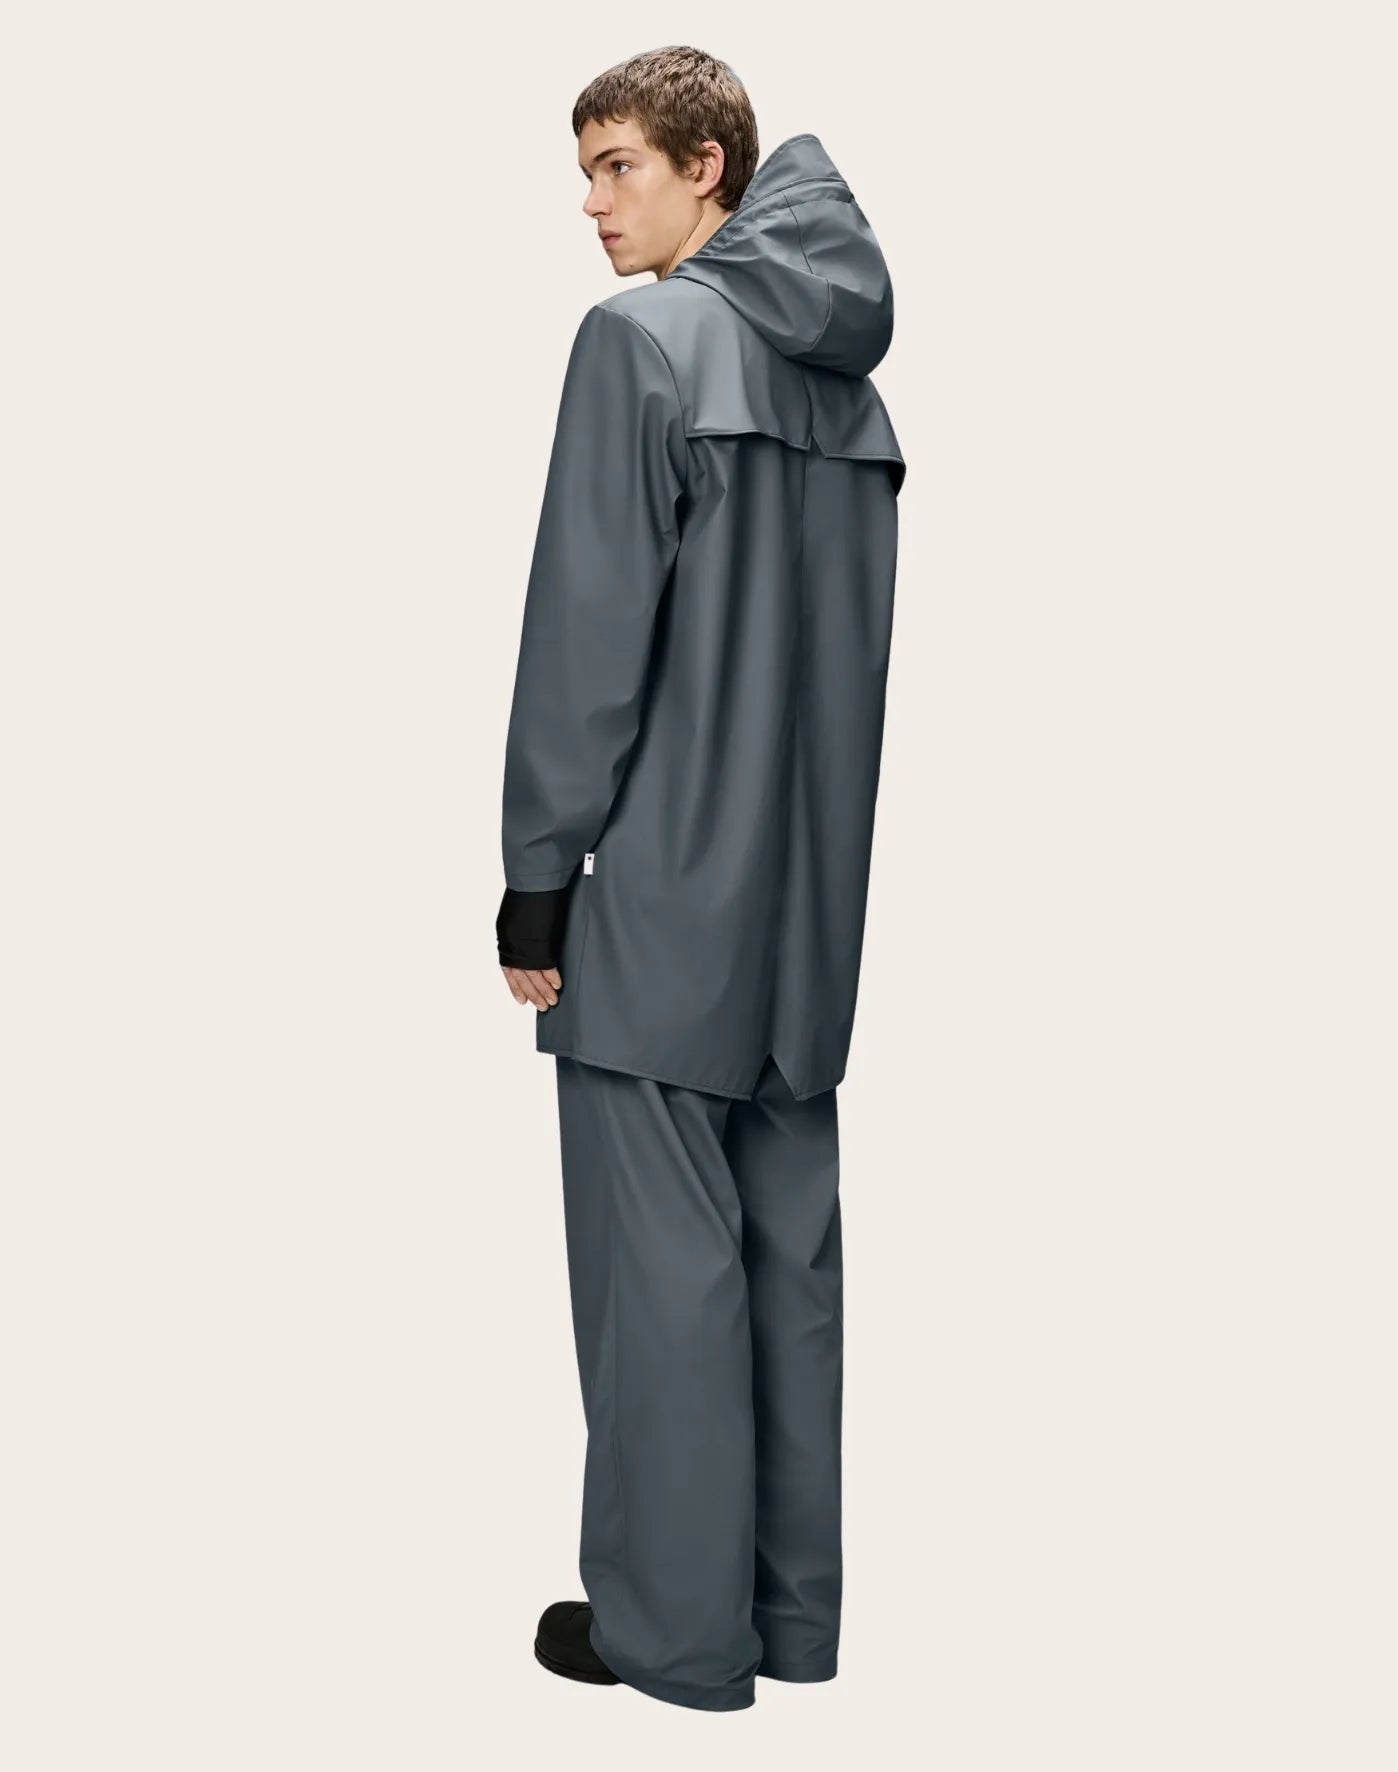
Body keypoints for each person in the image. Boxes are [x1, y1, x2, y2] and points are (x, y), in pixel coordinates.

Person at [496, 45, 905, 1713]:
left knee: (660, 1276)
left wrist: (538, 873)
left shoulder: (642, 344)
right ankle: (787, 1624)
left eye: (618, 167)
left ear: (708, 168)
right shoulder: (847, 389)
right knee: (784, 1262)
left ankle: (671, 1636)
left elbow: (584, 637)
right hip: (807, 911)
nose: (592, 206)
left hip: (661, 897)